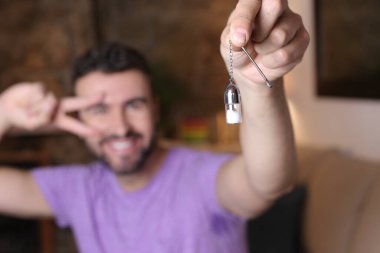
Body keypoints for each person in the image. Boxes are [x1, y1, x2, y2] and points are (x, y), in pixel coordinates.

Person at [0, 0, 309, 252]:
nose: (120, 128)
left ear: (156, 108)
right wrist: (3, 114)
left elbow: (269, 182)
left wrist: (256, 88)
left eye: (134, 105)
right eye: (98, 109)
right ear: (79, 118)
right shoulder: (78, 190)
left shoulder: (200, 177)